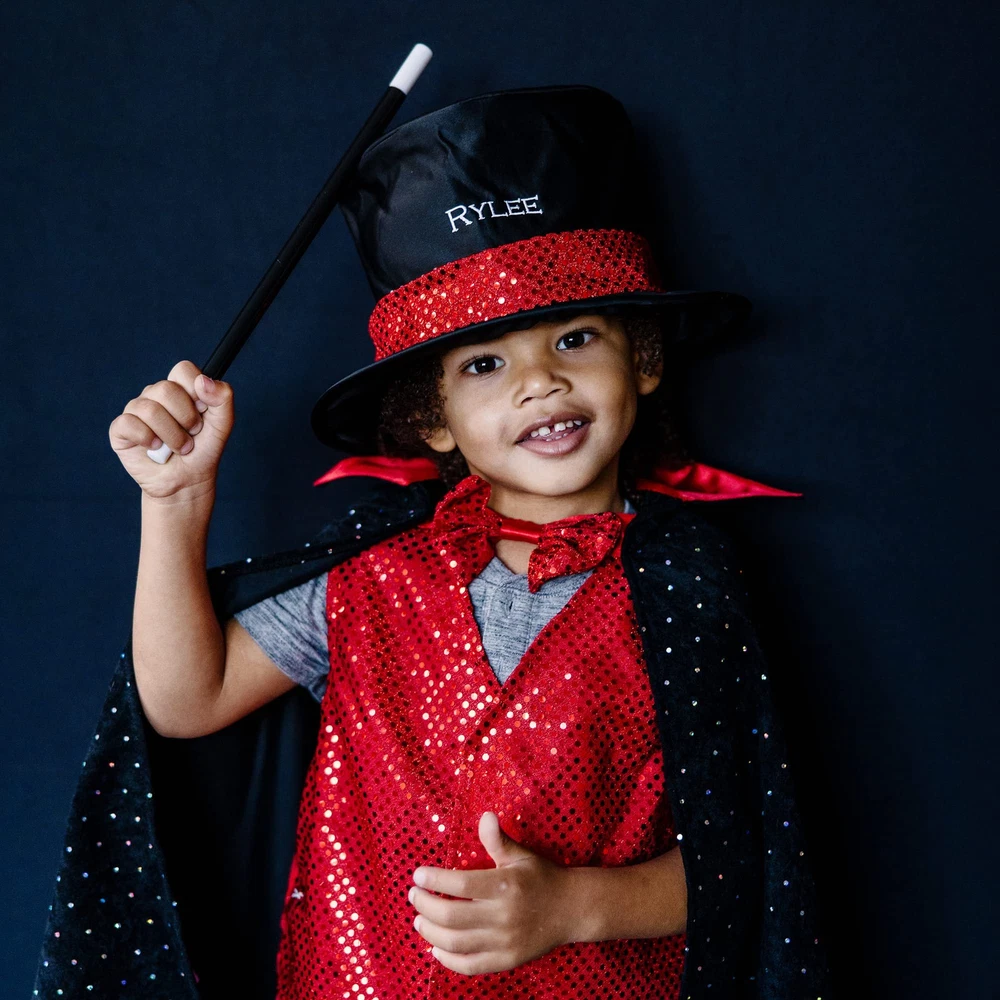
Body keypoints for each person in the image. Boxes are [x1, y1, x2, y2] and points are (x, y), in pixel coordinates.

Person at [35, 84, 835, 999]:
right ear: (433, 417)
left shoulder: (690, 584)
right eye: (485, 364)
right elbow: (187, 701)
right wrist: (175, 504)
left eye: (576, 338)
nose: (539, 383)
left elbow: (750, 862)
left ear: (643, 359)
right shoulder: (371, 578)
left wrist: (571, 907)